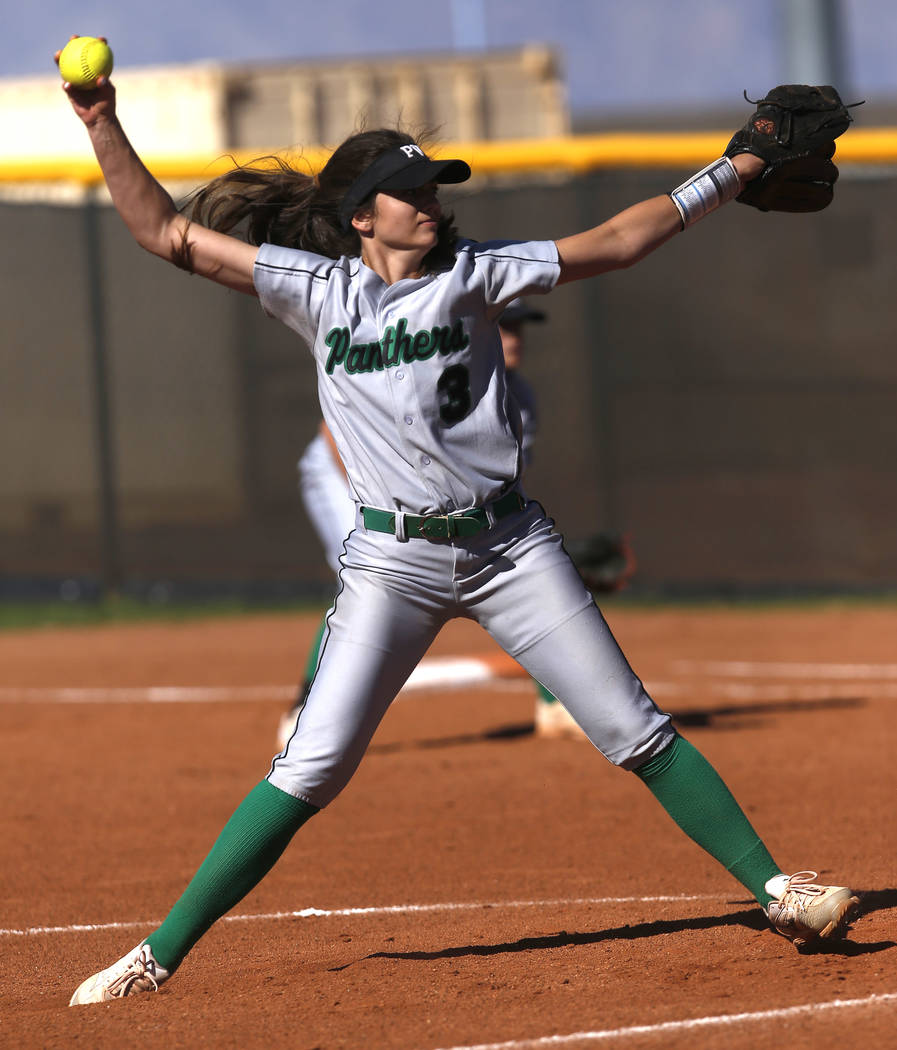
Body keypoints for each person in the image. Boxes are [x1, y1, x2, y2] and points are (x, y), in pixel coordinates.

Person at [59, 61, 859, 1004]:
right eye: (409, 191)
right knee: (310, 766)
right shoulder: (313, 291)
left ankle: (778, 890)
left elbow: (614, 240)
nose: (431, 202)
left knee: (632, 730)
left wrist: (726, 175)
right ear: (363, 216)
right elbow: (161, 231)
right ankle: (156, 956)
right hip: (390, 566)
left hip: (510, 551)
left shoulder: (478, 273)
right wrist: (100, 119)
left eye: (435, 187)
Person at [279, 297, 582, 750]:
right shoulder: (427, 372)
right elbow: (334, 434)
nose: (516, 339)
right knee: (364, 578)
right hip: (344, 471)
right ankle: (305, 710)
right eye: (505, 326)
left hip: (423, 496)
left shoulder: (520, 397)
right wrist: (376, 517)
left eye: (521, 329)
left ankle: (553, 703)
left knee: (515, 570)